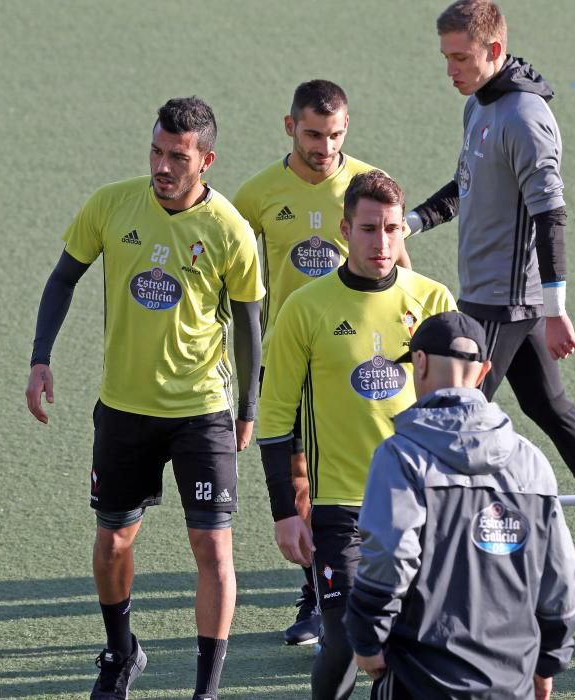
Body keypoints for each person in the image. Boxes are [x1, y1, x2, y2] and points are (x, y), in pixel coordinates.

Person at [25, 97, 265, 700]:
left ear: (205, 160)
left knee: (211, 545)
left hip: (202, 409)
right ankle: (120, 651)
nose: (163, 166)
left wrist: (248, 409)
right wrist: (40, 358)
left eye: (177, 157)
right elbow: (63, 276)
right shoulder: (112, 204)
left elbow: (248, 322)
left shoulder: (229, 230)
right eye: (157, 152)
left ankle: (206, 689)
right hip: (125, 407)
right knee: (112, 541)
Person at [404, 0, 575, 578]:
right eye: (445, 58)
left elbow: (551, 212)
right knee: (548, 405)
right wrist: (410, 222)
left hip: (504, 301)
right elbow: (468, 183)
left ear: (493, 50)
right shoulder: (479, 106)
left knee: (450, 420)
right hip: (496, 295)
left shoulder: (525, 117)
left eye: (461, 57)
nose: (451, 70)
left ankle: (448, 555)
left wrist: (556, 309)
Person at [258, 170, 455, 699]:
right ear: (345, 231)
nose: (382, 241)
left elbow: (461, 411)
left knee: (414, 638)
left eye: (392, 228)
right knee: (347, 637)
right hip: (339, 507)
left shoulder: (434, 301)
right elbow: (276, 418)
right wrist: (284, 511)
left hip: (420, 502)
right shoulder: (304, 308)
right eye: (369, 229)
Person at [234, 79, 412, 646]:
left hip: (357, 350)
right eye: (313, 134)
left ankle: (346, 585)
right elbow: (228, 268)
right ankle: (317, 592)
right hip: (291, 352)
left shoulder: (363, 184)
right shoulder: (258, 193)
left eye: (335, 134)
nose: (324, 146)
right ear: (290, 127)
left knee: (353, 468)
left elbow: (399, 267)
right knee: (300, 474)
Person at [345, 310, 575, 700]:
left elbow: (391, 555)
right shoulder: (531, 462)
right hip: (511, 679)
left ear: (419, 363)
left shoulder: (401, 456)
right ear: (484, 370)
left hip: (420, 678)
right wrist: (548, 660)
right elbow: (560, 573)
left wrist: (368, 639)